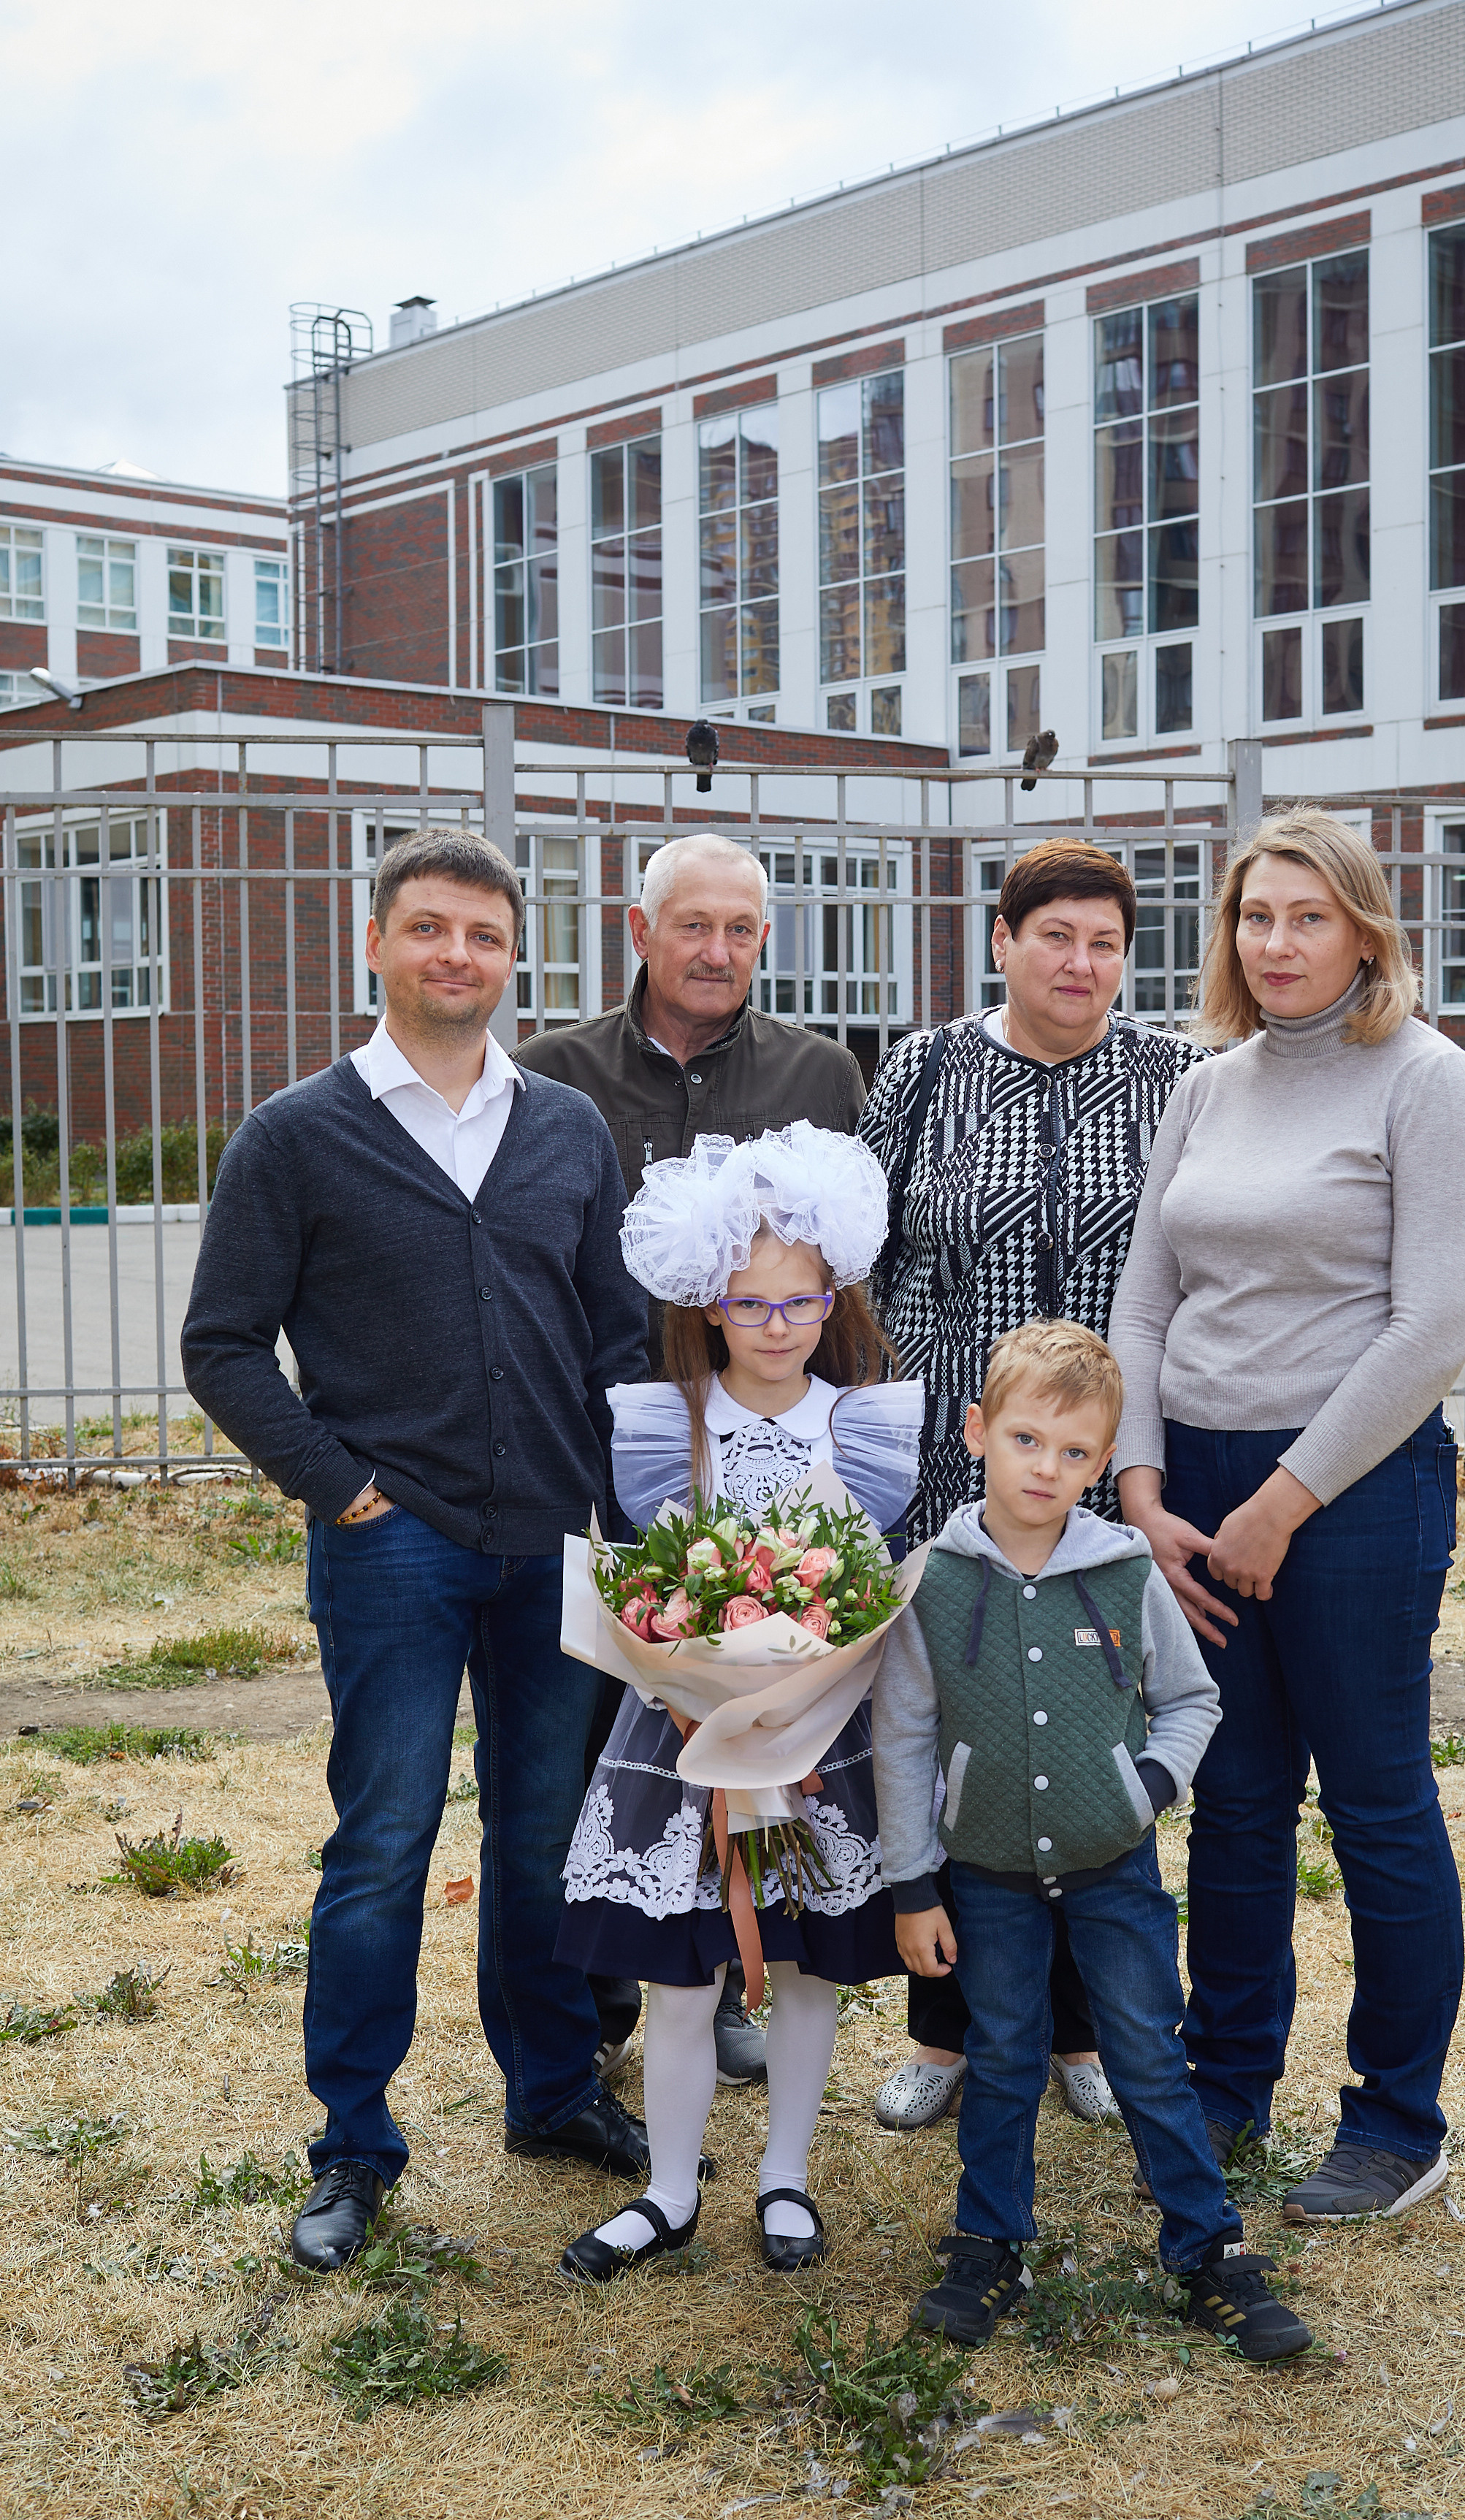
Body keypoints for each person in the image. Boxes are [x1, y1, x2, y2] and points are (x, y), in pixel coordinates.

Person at [180, 827, 652, 2273]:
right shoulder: (297, 1134)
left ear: (516, 961)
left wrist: (629, 1528)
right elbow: (221, 1347)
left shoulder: (566, 1126)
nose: (458, 956)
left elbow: (614, 1338)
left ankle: (553, 2090)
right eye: (431, 930)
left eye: (485, 937)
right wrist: (341, 1487)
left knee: (541, 1841)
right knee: (383, 1844)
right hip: (395, 1551)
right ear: (376, 945)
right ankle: (353, 2147)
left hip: (547, 1547)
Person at [1111, 809, 1465, 2223]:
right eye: (1254, 917)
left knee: (1380, 1801)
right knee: (1238, 1793)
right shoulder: (1209, 1088)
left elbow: (1430, 1326)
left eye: (1307, 917)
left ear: (1365, 928)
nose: (1276, 943)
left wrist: (1283, 1500)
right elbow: (1146, 1301)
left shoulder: (1426, 1080)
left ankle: (1397, 2122)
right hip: (1195, 1489)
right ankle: (1222, 2084)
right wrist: (1145, 1489)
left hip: (1351, 1490)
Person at [871, 1319, 1310, 2360]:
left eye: (1075, 1454)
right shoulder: (931, 1577)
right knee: (1006, 2052)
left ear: (1103, 1464)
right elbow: (902, 1735)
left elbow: (1192, 1702)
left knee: (1152, 2057)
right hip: (983, 1875)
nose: (1047, 1467)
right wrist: (910, 1886)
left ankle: (1206, 2251)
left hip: (1115, 1869)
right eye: (1027, 1439)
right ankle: (989, 2242)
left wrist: (1141, 1789)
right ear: (977, 1432)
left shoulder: (1126, 1573)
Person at [859, 837, 1204, 2129]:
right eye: (1055, 935)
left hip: (1105, 1467)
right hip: (961, 1461)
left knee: (1089, 1726)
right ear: (1002, 940)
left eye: (1106, 942)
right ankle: (947, 2031)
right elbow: (861, 1255)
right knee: (966, 1731)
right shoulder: (925, 1067)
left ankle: (1077, 2030)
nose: (1082, 962)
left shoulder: (1178, 1074)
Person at [521, 828, 866, 2088]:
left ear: (764, 940)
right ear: (639, 929)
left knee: (753, 1707)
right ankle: (604, 1987)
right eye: (693, 925)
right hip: (596, 1437)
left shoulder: (821, 1071)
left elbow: (846, 1278)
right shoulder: (553, 1076)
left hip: (758, 1445)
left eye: (741, 930)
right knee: (605, 1735)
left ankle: (731, 1959)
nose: (716, 951)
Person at [557, 1125, 919, 2282]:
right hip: (684, 1732)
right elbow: (658, 1573)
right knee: (679, 1969)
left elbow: (864, 1580)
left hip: (819, 1731)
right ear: (709, 1303)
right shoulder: (670, 1419)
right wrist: (687, 1674)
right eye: (750, 1303)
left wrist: (804, 1685)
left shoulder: (860, 1424)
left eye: (800, 1301)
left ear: (832, 1299)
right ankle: (668, 2189)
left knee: (806, 1961)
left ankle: (786, 2170)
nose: (777, 1325)